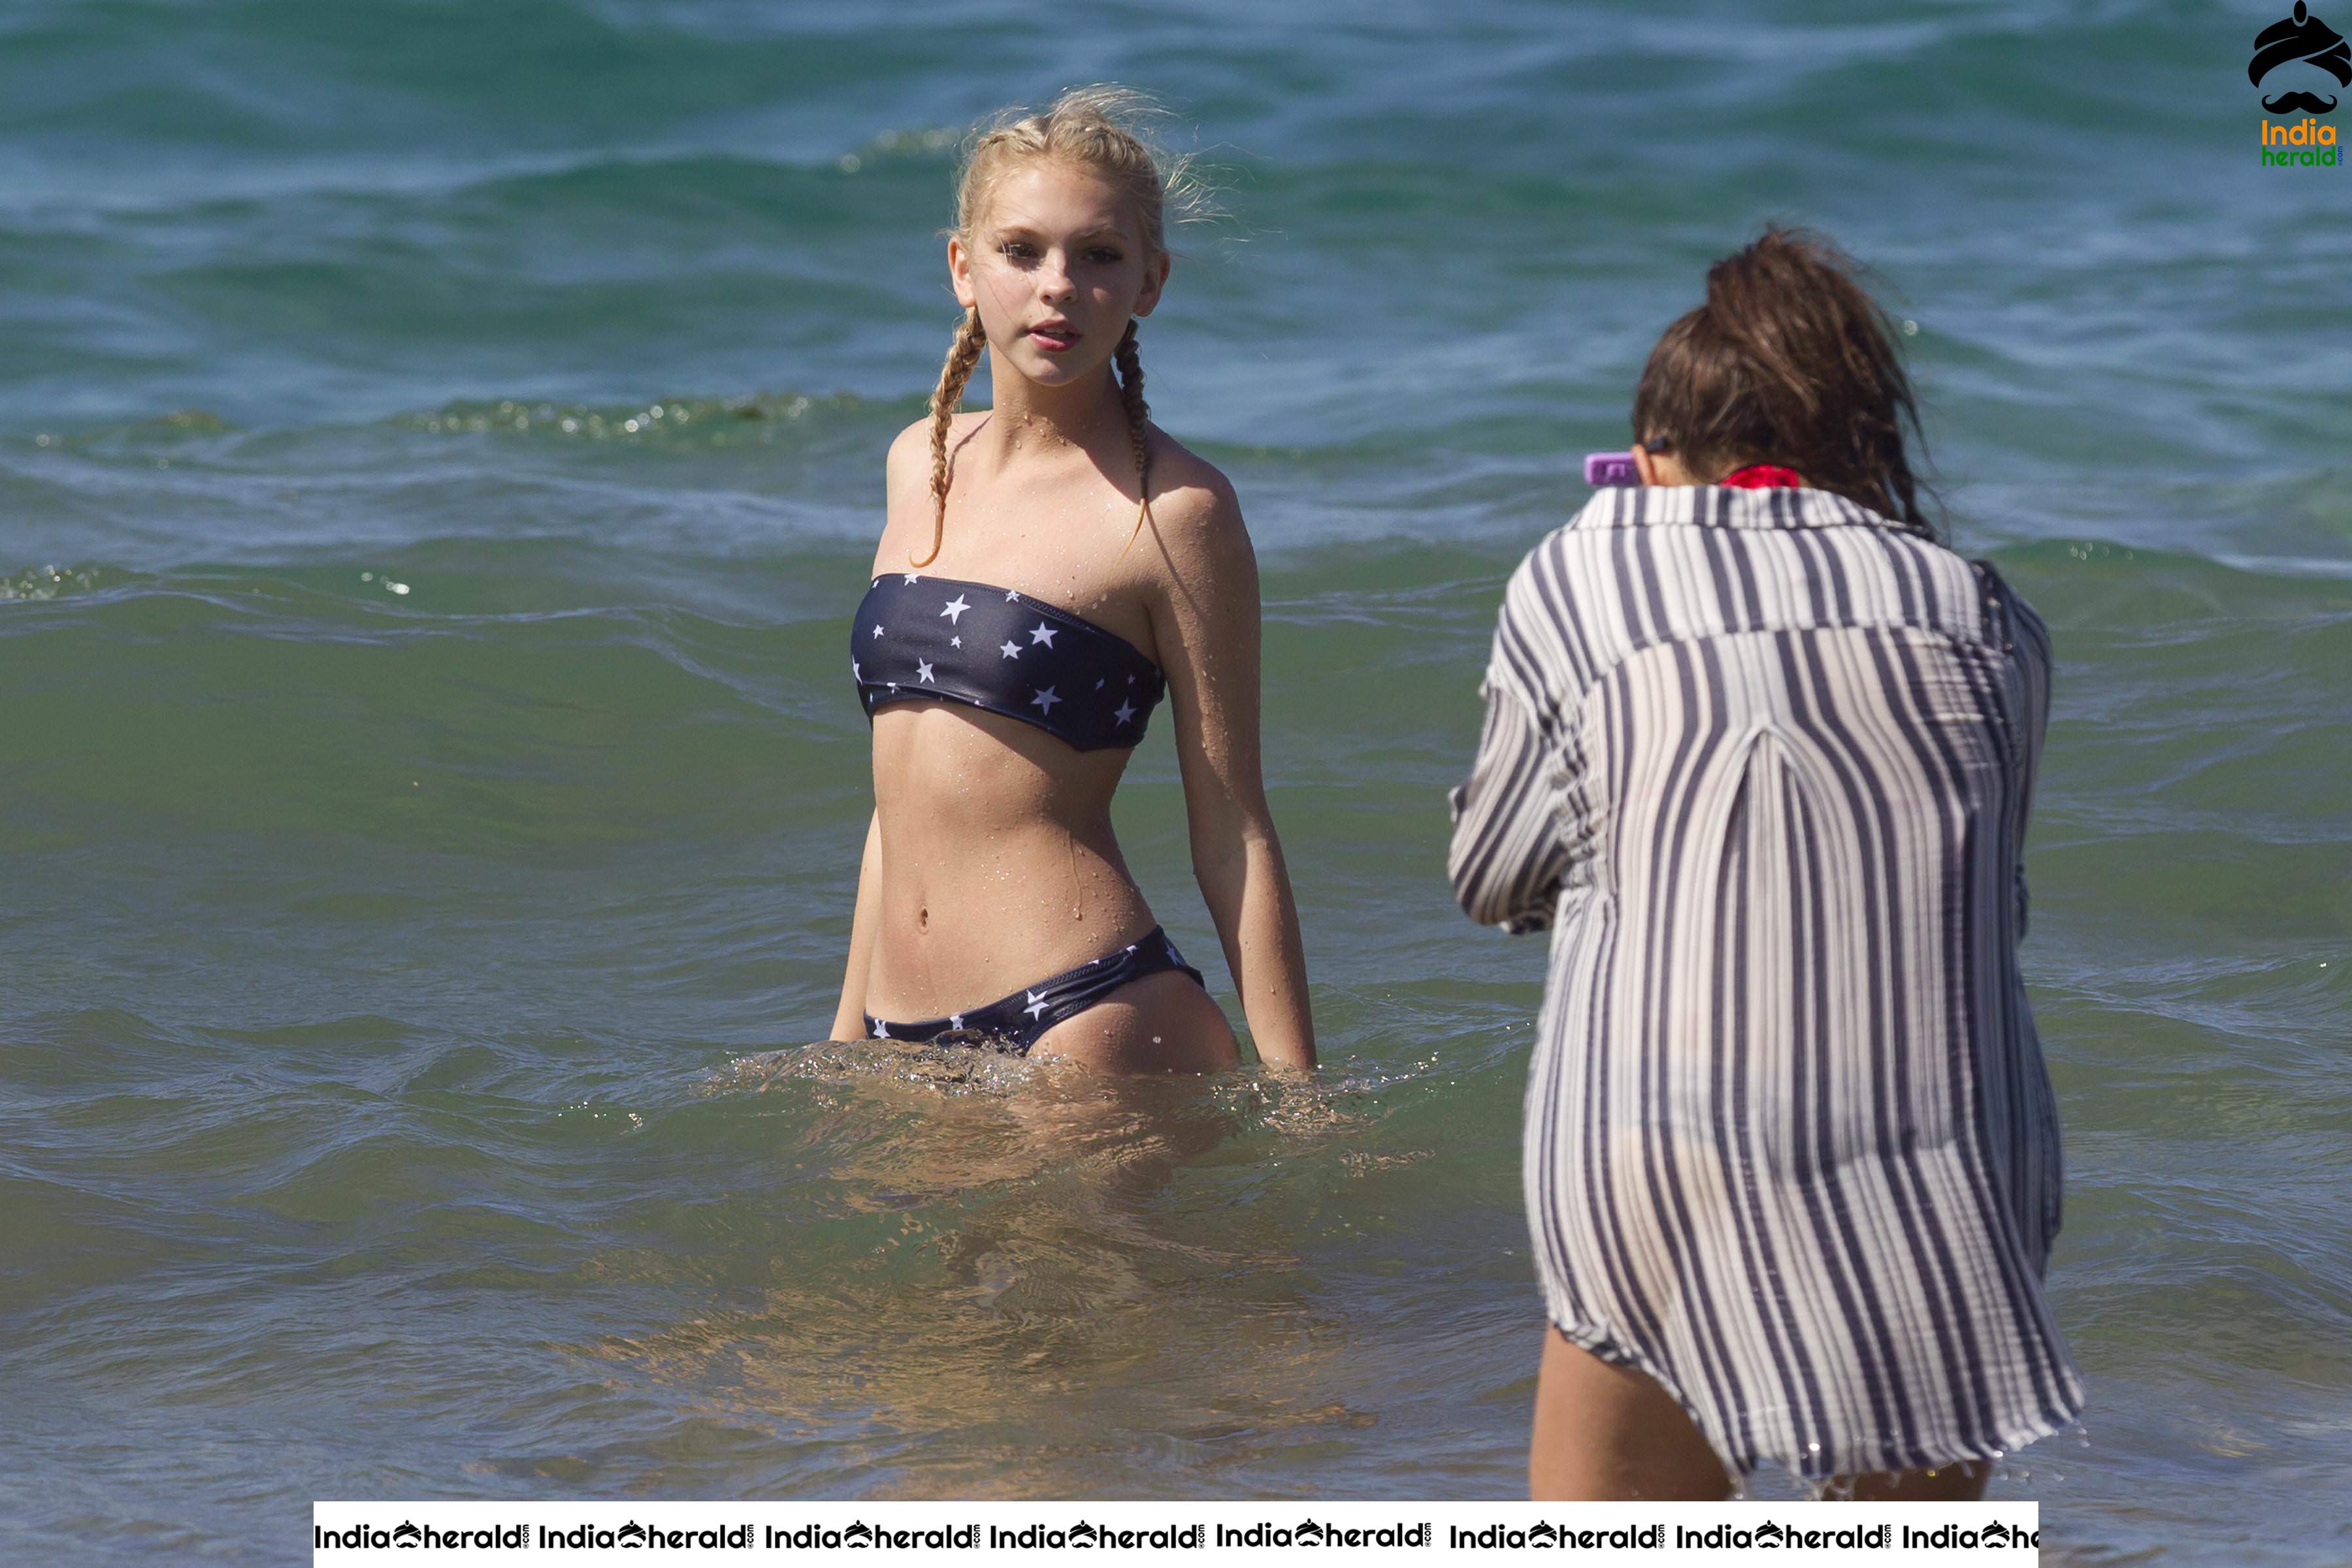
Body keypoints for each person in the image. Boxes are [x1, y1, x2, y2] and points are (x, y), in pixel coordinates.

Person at [1447, 229, 2083, 1498]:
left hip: (1655, 1145)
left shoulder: (1581, 568)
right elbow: (1982, 903)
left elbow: (1493, 878)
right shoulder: (1988, 612)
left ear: (1658, 460)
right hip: (1947, 1151)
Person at [830, 88, 1314, 1074]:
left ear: (1150, 283)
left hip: (1085, 1018)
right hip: (900, 1038)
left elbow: (1232, 827)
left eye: (1099, 256)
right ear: (963, 268)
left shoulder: (1173, 513)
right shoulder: (915, 468)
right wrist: (845, 1041)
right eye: (1022, 251)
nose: (1059, 286)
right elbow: (904, 799)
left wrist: (1300, 1090)